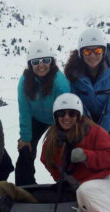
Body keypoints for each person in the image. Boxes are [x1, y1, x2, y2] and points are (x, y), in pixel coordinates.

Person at [15, 39, 71, 186]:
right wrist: (25, 139)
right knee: (25, 149)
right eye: (35, 62)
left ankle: (67, 183)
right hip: (37, 118)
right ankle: (24, 185)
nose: (41, 65)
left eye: (45, 60)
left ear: (51, 61)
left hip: (58, 119)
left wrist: (61, 133)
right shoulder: (24, 82)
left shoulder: (61, 84)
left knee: (61, 149)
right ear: (30, 64)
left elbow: (66, 113)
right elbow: (24, 111)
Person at [64, 28, 110, 140]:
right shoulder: (73, 72)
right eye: (87, 51)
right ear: (80, 53)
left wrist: (100, 133)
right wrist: (85, 128)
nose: (93, 56)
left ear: (104, 51)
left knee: (103, 142)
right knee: (84, 141)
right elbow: (75, 103)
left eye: (97, 51)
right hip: (87, 114)